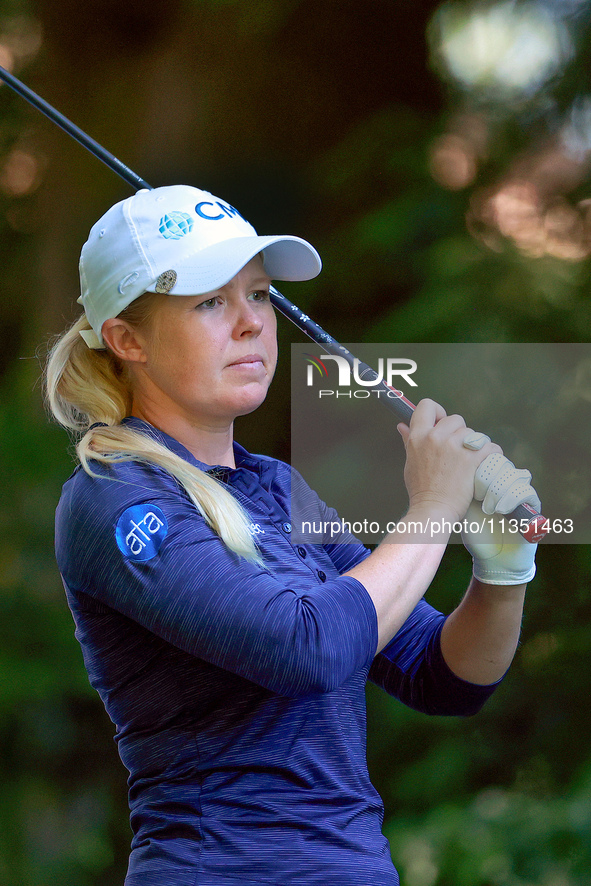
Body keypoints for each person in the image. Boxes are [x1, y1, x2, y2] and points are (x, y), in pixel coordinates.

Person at [45, 185, 540, 886]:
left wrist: (501, 571)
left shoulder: (275, 485)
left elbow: (440, 675)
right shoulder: (115, 497)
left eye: (258, 294)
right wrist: (431, 507)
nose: (250, 323)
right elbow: (307, 648)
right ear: (127, 340)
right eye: (210, 302)